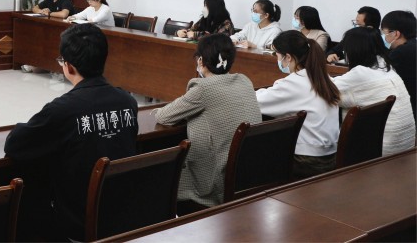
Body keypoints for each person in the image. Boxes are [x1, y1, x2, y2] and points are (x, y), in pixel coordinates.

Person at [4, 24, 138, 241]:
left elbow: (15, 145)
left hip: (78, 222)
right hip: (123, 215)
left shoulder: (63, 109)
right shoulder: (127, 102)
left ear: (68, 66)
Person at [154, 34, 261, 211]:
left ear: (201, 61)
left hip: (215, 181)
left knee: (159, 174)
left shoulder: (204, 88)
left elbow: (164, 117)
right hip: (247, 175)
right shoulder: (244, 80)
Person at [255, 31, 341, 179]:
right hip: (331, 156)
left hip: (307, 161)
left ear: (288, 57)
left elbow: (256, 101)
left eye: (276, 54)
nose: (276, 58)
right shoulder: (322, 77)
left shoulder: (294, 83)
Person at [332, 27, 415, 155]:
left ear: (354, 50)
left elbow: (328, 90)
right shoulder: (386, 67)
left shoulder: (361, 73)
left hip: (382, 151)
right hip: (404, 146)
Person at [380, 10, 416, 119]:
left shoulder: (400, 52)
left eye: (384, 33)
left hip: (408, 111)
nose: (383, 36)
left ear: (396, 34)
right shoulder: (413, 46)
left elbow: (381, 77)